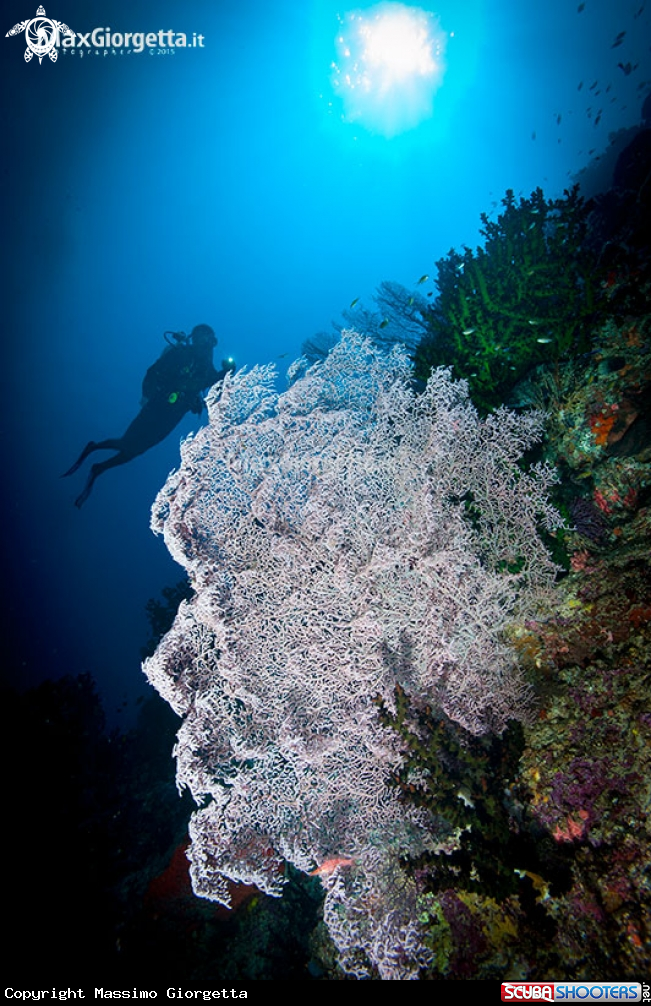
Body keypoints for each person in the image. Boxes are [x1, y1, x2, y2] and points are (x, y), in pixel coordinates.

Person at [63, 324, 234, 508]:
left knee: (138, 449)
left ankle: (99, 468)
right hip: (158, 405)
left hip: (174, 415)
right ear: (195, 337)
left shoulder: (206, 365)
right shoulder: (182, 354)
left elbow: (210, 385)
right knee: (128, 441)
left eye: (209, 338)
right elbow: (154, 371)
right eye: (202, 337)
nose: (206, 342)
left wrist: (226, 373)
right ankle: (95, 448)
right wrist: (147, 395)